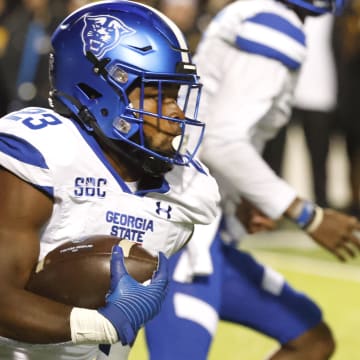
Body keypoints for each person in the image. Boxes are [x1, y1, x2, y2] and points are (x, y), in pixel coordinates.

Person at [0, 1, 220, 360]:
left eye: (176, 95)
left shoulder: (185, 189)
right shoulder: (43, 153)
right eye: (154, 95)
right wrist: (101, 324)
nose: (176, 114)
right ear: (97, 89)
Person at [145, 0, 360, 359]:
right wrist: (308, 215)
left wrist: (239, 194)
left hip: (209, 230)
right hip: (183, 239)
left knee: (311, 340)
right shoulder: (274, 23)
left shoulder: (256, 11)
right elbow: (219, 140)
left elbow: (213, 123)